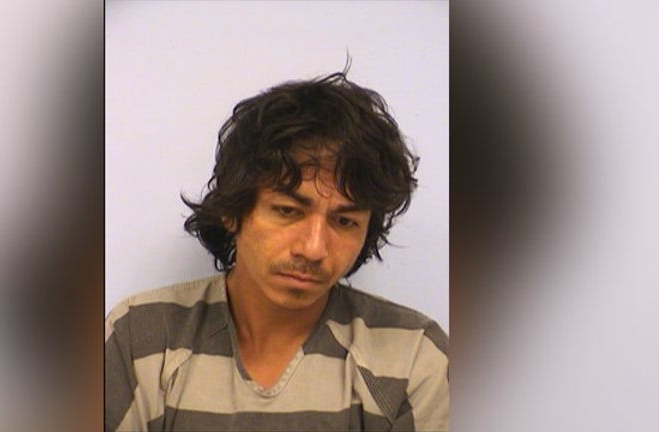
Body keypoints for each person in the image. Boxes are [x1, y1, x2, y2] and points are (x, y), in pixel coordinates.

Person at [105, 71, 449, 431]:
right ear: (232, 210)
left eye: (345, 221)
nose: (313, 249)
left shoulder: (413, 356)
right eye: (288, 211)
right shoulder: (142, 339)